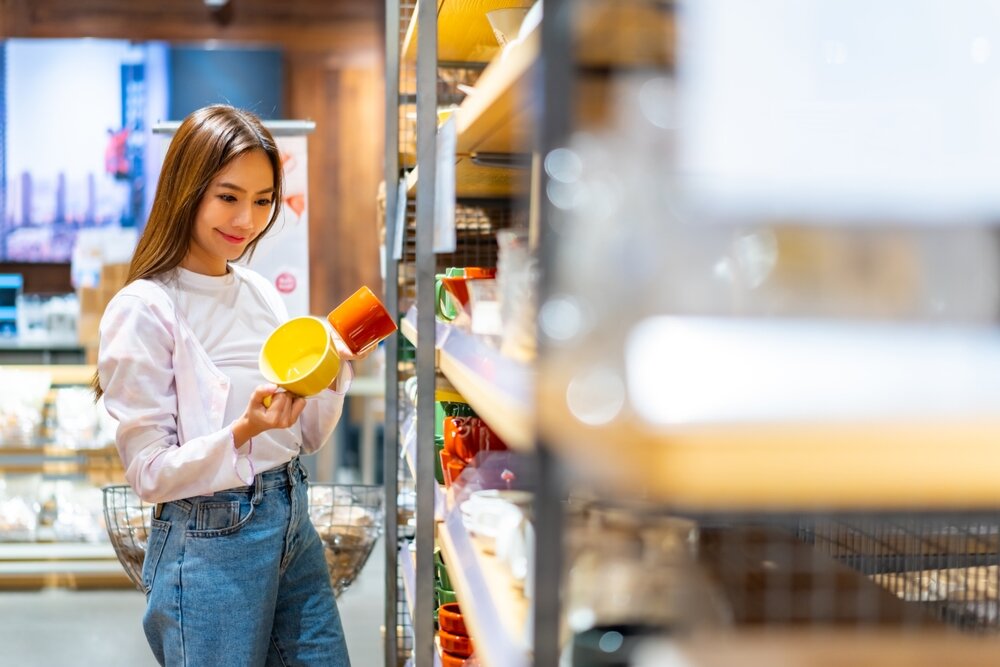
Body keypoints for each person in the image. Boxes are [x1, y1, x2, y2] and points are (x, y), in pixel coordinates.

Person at [94, 104, 361, 666]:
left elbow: (304, 437)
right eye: (228, 196)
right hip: (209, 537)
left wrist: (333, 370)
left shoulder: (262, 292)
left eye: (263, 200)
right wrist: (243, 430)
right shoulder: (144, 308)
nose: (247, 219)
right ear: (186, 190)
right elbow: (149, 474)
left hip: (291, 513)